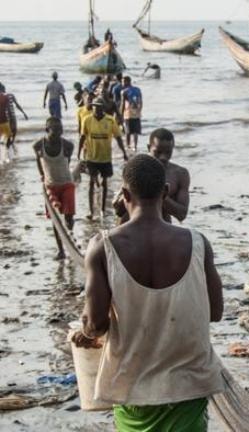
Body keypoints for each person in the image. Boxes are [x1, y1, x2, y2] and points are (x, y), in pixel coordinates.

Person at [70, 154, 224, 431]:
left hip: (132, 388)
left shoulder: (103, 247)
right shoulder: (198, 243)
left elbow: (95, 324)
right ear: (165, 192)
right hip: (188, 387)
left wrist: (84, 332)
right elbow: (215, 312)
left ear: (124, 194)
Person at [114, 128, 190, 224]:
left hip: (162, 231)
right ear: (149, 147)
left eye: (168, 152)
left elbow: (182, 214)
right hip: (130, 230)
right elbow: (118, 211)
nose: (163, 157)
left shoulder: (180, 174)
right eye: (158, 152)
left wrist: (159, 193)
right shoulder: (136, 168)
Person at [33, 117, 76, 259]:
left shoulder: (68, 145)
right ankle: (61, 250)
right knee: (56, 220)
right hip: (50, 187)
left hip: (67, 184)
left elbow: (67, 162)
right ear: (47, 129)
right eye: (55, 129)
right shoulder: (39, 145)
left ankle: (70, 237)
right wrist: (42, 175)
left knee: (68, 218)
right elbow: (38, 161)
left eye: (60, 129)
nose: (59, 132)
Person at [79, 98, 127, 219]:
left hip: (105, 157)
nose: (97, 108)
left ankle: (102, 209)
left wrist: (124, 152)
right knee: (91, 183)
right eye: (95, 106)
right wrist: (79, 153)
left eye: (100, 106)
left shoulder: (110, 120)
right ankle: (91, 211)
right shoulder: (87, 119)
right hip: (91, 157)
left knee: (105, 183)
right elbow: (82, 137)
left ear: (103, 108)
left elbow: (118, 138)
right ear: (93, 107)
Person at [121, 76, 142, 152]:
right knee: (136, 131)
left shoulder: (124, 92)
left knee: (128, 131)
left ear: (127, 82)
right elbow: (141, 102)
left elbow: (123, 104)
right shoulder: (137, 89)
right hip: (137, 113)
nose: (122, 83)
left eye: (123, 82)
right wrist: (139, 111)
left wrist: (121, 114)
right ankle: (135, 146)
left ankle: (128, 146)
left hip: (128, 113)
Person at [0, 84, 14, 162]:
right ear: (2, 89)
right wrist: (11, 119)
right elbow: (8, 110)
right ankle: (7, 152)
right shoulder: (5, 97)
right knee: (9, 137)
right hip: (4, 121)